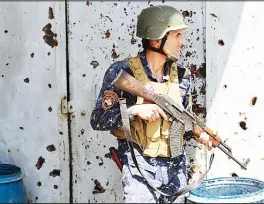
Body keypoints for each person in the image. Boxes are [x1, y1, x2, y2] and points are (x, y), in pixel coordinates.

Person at [90, 5, 216, 203]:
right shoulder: (122, 72)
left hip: (176, 171)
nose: (181, 42)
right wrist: (134, 110)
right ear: (157, 39)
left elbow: (179, 123)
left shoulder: (182, 78)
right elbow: (98, 120)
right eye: (176, 35)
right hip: (139, 169)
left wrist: (201, 132)